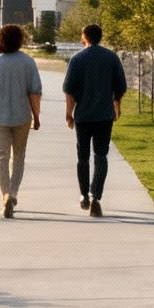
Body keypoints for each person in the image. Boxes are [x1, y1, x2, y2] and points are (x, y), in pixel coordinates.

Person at [62, 23, 127, 217]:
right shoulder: (111, 57)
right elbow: (121, 86)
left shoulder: (77, 59)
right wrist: (117, 106)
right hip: (104, 116)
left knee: (83, 157)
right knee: (101, 156)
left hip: (83, 117)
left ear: (84, 37)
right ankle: (96, 197)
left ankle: (84, 196)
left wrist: (69, 113)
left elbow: (69, 90)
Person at [0, 23, 42, 218]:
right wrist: (36, 116)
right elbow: (34, 93)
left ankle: (4, 194)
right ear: (20, 40)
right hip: (22, 116)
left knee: (1, 156)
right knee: (19, 156)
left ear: (0, 39)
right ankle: (13, 193)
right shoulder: (28, 62)